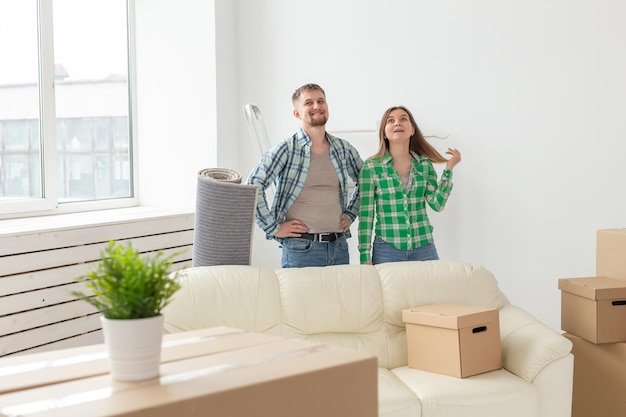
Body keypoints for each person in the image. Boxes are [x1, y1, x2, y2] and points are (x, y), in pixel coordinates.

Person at [246, 83, 363, 268]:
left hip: (339, 247)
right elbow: (253, 185)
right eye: (309, 102)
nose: (316, 106)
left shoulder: (343, 149)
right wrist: (273, 228)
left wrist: (350, 214)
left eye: (320, 101)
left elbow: (367, 182)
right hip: (301, 249)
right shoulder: (286, 149)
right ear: (297, 114)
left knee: (338, 299)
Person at [358, 105, 461, 265]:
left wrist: (449, 169)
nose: (397, 123)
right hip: (387, 249)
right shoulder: (371, 166)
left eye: (403, 119)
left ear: (412, 129)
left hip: (424, 247)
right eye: (391, 121)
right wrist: (365, 257)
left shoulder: (424, 165)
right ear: (384, 132)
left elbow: (437, 204)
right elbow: (366, 216)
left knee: (430, 290)